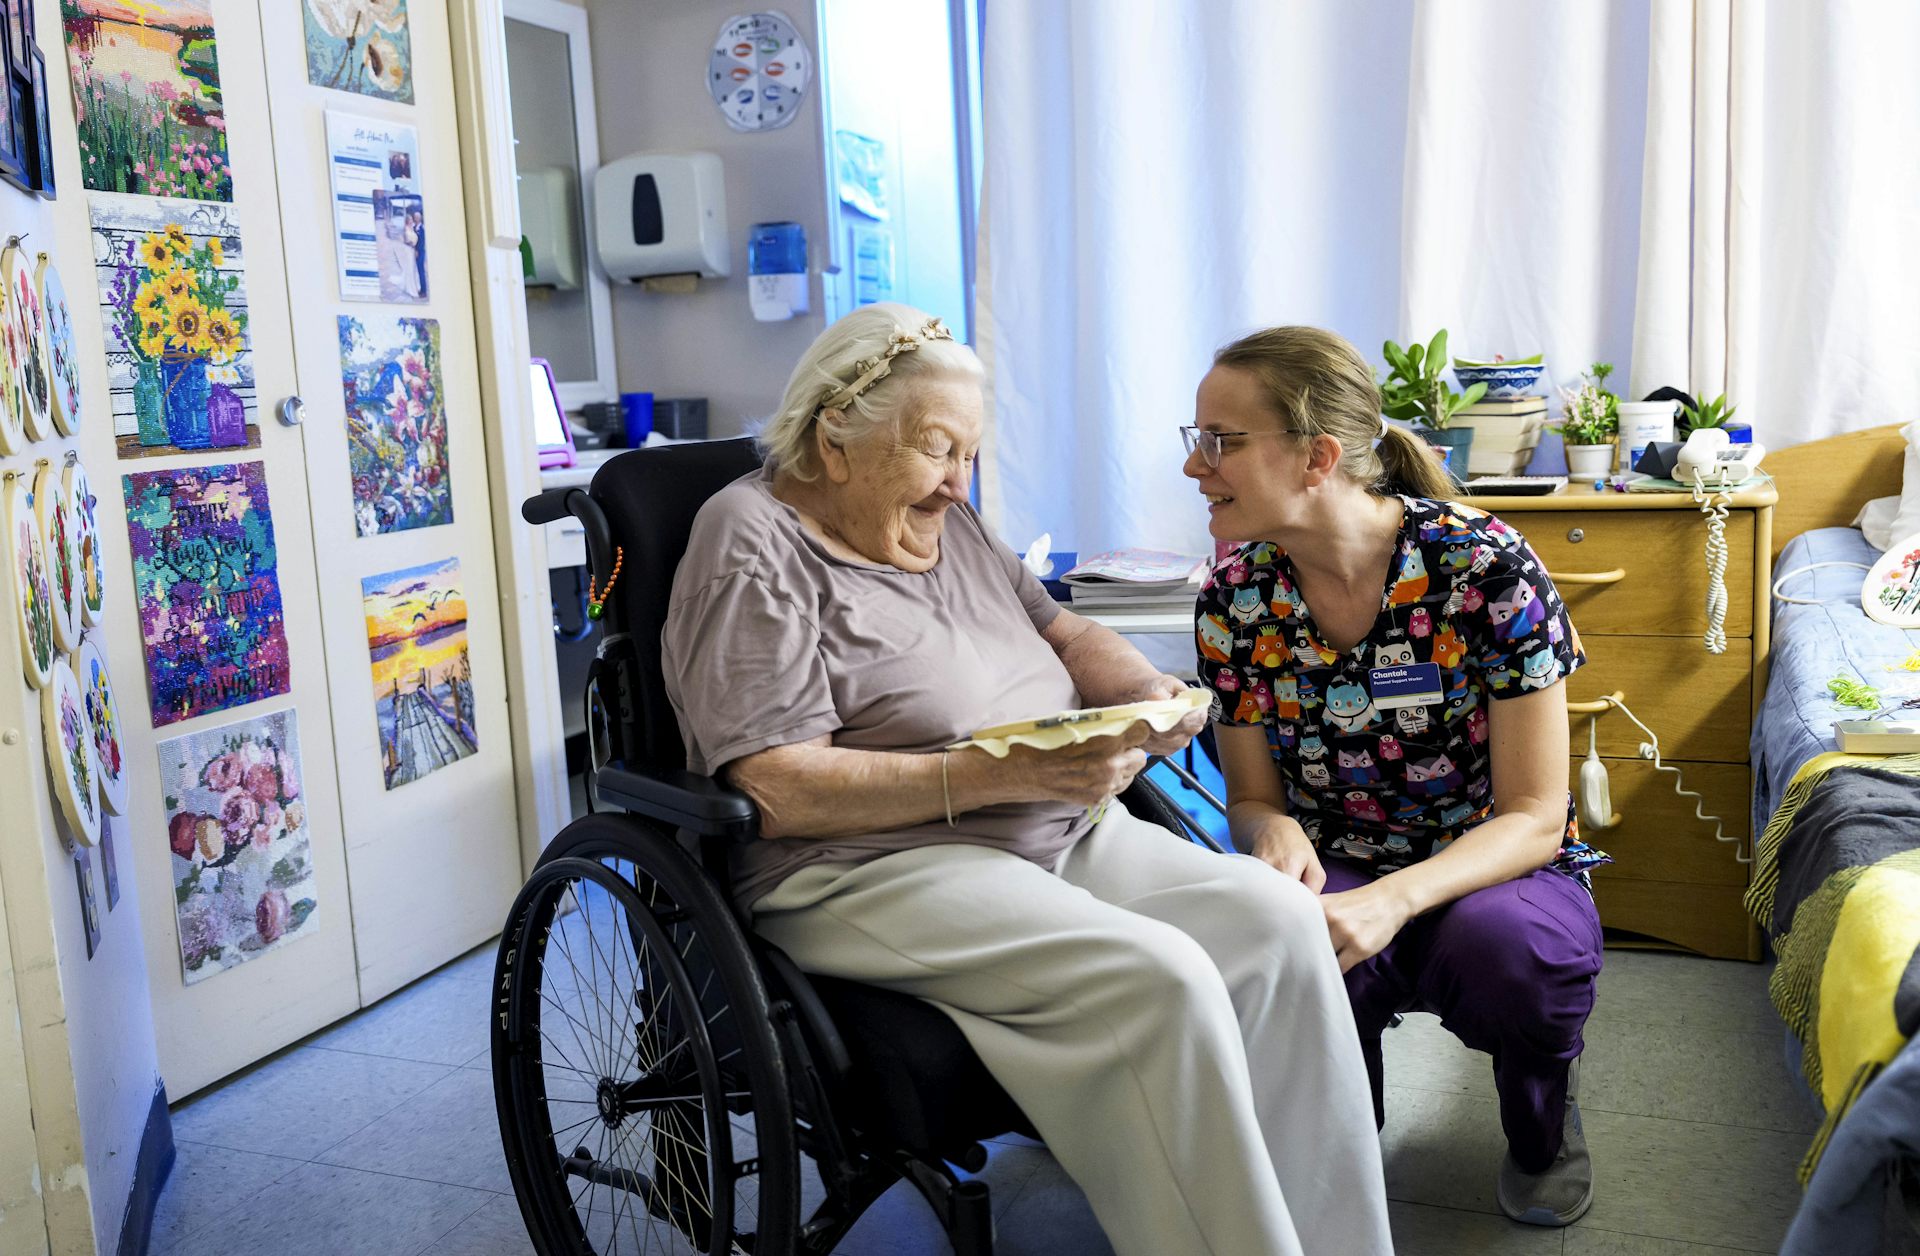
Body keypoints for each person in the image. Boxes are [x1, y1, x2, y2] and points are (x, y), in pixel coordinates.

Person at [664, 304, 1392, 1256]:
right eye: (938, 450)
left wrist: (1144, 691)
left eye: (970, 454)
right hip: (866, 869)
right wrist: (995, 773)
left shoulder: (949, 524)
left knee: (1281, 921)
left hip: (1057, 827)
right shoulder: (751, 544)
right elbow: (778, 785)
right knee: (1160, 979)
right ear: (834, 439)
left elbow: (1062, 630)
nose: (957, 484)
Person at [1184, 326, 1609, 1228]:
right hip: (1337, 857)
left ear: (1318, 457)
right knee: (1286, 949)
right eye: (1197, 439)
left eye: (1221, 441)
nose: (1194, 466)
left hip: (1494, 861)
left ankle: (1542, 1116)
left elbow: (1537, 814)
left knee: (1512, 958)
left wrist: (1396, 899)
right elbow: (1252, 797)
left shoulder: (1482, 567)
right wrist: (1269, 827)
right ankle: (1340, 1143)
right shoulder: (1234, 599)